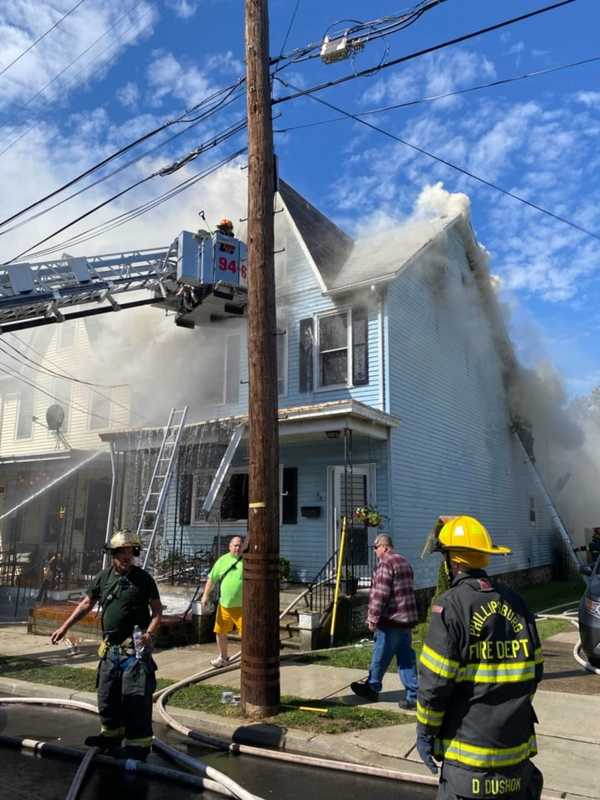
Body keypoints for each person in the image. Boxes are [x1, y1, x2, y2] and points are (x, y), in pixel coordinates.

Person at [416, 515, 544, 800]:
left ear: (455, 562)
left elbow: (435, 684)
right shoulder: (517, 602)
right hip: (517, 763)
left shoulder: (450, 608)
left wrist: (425, 732)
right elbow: (534, 672)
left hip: (469, 771)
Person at [50, 530, 162, 761]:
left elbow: (158, 612)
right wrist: (64, 627)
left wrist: (149, 633)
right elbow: (86, 604)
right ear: (113, 554)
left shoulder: (144, 579)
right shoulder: (103, 578)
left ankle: (138, 745)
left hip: (135, 653)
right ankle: (111, 734)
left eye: (130, 552)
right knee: (107, 695)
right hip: (110, 651)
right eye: (121, 552)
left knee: (135, 698)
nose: (126, 556)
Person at [350, 533, 419, 710]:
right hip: (406, 621)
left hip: (391, 621)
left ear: (385, 547)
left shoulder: (385, 564)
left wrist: (372, 618)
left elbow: (380, 595)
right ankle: (414, 695)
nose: (374, 551)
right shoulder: (404, 562)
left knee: (380, 656)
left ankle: (372, 687)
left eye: (376, 547)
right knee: (406, 659)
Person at [201, 535, 243, 667]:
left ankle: (249, 658)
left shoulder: (248, 560)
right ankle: (223, 658)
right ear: (230, 547)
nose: (237, 548)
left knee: (248, 635)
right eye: (235, 545)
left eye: (240, 545)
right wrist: (205, 595)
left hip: (243, 606)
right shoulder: (222, 560)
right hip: (225, 604)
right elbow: (211, 579)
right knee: (220, 632)